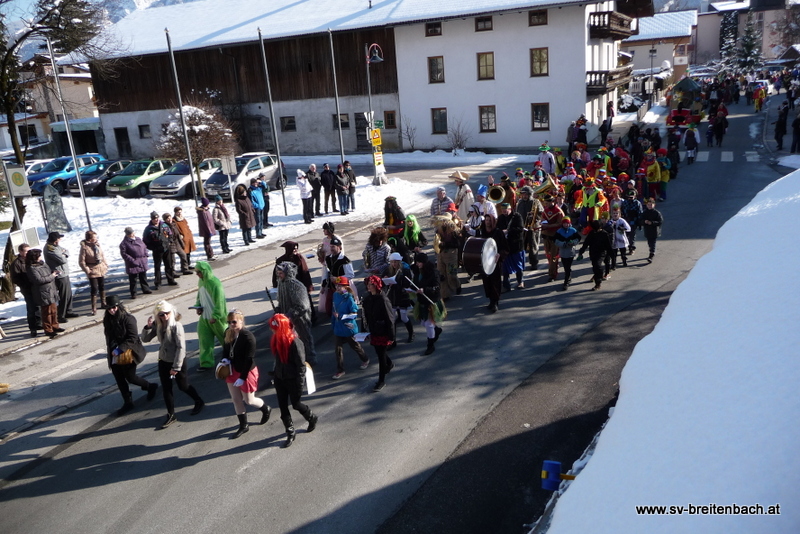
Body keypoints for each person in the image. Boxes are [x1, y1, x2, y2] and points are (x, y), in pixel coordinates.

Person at [141, 300, 205, 428]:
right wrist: (148, 327)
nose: (164, 316)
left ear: (171, 312)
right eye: (161, 314)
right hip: (163, 360)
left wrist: (176, 367)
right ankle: (171, 414)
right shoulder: (158, 324)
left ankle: (199, 401)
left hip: (177, 361)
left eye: (166, 313)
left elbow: (181, 348)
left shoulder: (176, 326)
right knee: (166, 388)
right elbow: (145, 339)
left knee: (183, 386)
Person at [220, 309, 272, 439]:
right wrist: (225, 359)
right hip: (232, 369)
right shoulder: (227, 333)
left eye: (234, 321)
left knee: (249, 400)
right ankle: (243, 425)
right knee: (236, 399)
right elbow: (225, 350)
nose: (231, 324)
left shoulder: (248, 337)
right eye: (229, 322)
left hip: (246, 371)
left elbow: (249, 359)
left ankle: (265, 408)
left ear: (241, 321)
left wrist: (242, 378)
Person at [268, 313, 318, 448]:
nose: (272, 330)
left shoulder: (295, 342)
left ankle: (311, 417)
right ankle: (290, 432)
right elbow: (278, 360)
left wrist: (299, 384)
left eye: (274, 328)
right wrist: (275, 374)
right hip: (280, 378)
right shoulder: (277, 339)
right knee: (283, 407)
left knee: (296, 404)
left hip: (292, 379)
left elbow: (301, 365)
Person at [103, 294, 158, 415]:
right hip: (114, 353)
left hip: (130, 352)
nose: (112, 310)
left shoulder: (128, 319)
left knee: (130, 377)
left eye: (114, 307)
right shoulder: (107, 319)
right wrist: (113, 351)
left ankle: (150, 386)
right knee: (119, 378)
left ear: (119, 306)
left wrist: (119, 349)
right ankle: (128, 402)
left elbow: (132, 338)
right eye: (109, 308)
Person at [275, 261, 317, 367]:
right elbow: (280, 301)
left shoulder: (297, 286)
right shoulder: (281, 284)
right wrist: (278, 310)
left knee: (304, 340)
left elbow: (303, 306)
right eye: (278, 273)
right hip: (286, 320)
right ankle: (294, 362)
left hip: (300, 320)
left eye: (281, 273)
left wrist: (290, 315)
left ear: (288, 272)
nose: (279, 275)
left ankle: (309, 361)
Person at [330, 276, 369, 379]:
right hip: (338, 327)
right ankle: (340, 370)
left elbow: (354, 314)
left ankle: (365, 359)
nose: (338, 288)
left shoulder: (350, 299)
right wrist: (333, 323)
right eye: (337, 285)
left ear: (346, 287)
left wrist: (342, 317)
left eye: (340, 286)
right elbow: (333, 310)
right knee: (338, 349)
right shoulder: (335, 295)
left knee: (355, 346)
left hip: (348, 327)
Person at [362, 275, 396, 391]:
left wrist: (391, 335)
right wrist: (363, 329)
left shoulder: (383, 300)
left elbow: (390, 318)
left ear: (376, 285)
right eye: (368, 284)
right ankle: (390, 364)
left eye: (371, 284)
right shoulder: (367, 300)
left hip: (383, 330)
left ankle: (381, 381)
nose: (369, 286)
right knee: (379, 352)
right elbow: (364, 316)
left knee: (381, 357)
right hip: (374, 330)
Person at [194, 260, 227, 371]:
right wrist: (198, 306)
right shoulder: (201, 282)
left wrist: (216, 316)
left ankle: (235, 358)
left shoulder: (215, 283)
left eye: (199, 272)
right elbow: (200, 295)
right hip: (204, 318)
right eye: (196, 272)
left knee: (226, 340)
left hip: (216, 319)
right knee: (204, 341)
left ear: (205, 271)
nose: (197, 274)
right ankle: (206, 363)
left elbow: (220, 302)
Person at [411, 252, 446, 355]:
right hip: (422, 300)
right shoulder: (417, 272)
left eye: (419, 262)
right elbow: (415, 284)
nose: (417, 264)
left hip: (432, 301)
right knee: (424, 323)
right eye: (416, 262)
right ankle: (437, 330)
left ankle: (430, 345)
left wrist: (425, 290)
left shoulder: (433, 272)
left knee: (428, 324)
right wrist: (411, 289)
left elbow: (437, 287)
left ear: (424, 262)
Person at [26, 248, 62, 338]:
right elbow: (38, 280)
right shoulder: (31, 268)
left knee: (54, 309)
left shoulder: (43, 264)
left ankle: (55, 326)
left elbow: (48, 273)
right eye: (39, 255)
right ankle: (48, 329)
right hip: (42, 292)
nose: (41, 257)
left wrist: (53, 273)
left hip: (51, 289)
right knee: (46, 312)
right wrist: (52, 276)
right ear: (35, 257)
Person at [382, 252, 415, 345]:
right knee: (392, 319)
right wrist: (385, 280)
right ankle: (393, 339)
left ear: (399, 262)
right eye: (392, 262)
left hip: (402, 297)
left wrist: (395, 283)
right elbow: (382, 280)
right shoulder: (388, 270)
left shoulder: (405, 271)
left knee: (404, 317)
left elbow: (407, 284)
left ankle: (411, 333)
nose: (393, 264)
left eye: (395, 262)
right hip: (392, 297)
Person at [44, 231, 76, 322]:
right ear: (55, 240)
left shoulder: (56, 247)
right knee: (63, 295)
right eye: (59, 238)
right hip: (60, 274)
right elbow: (62, 260)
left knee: (68, 294)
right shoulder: (50, 248)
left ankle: (68, 311)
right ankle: (61, 314)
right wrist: (63, 254)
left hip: (65, 272)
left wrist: (64, 253)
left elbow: (67, 251)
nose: (60, 239)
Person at [11, 244, 41, 337]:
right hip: (27, 288)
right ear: (20, 252)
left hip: (35, 287)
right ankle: (32, 328)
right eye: (26, 251)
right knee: (31, 307)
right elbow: (15, 279)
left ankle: (39, 323)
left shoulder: (31, 259)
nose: (28, 253)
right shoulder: (16, 263)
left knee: (38, 306)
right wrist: (26, 284)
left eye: (29, 250)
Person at [481, 214, 510, 312]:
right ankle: (490, 300)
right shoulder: (483, 232)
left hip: (495, 262)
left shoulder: (498, 233)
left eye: (489, 220)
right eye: (486, 220)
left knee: (495, 282)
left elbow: (505, 248)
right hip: (485, 261)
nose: (487, 222)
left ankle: (495, 302)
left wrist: (500, 255)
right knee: (486, 282)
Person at [142, 211, 177, 288]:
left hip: (166, 248)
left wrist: (169, 242)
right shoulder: (148, 229)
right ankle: (158, 282)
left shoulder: (164, 225)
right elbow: (145, 241)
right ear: (152, 219)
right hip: (157, 250)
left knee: (169, 265)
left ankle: (171, 279)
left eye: (157, 218)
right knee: (157, 267)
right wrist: (153, 248)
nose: (156, 220)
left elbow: (170, 234)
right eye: (154, 219)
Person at [79, 230, 108, 315]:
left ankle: (103, 303)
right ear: (90, 239)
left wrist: (105, 265)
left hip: (100, 268)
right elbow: (81, 261)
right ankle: (94, 307)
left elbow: (102, 255)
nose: (96, 239)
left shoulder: (97, 245)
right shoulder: (84, 247)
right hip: (92, 269)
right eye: (94, 237)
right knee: (94, 288)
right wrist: (87, 269)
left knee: (102, 286)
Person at [577, 220, 613, 290]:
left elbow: (608, 245)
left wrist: (612, 255)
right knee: (595, 267)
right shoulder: (592, 233)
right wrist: (581, 251)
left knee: (598, 265)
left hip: (601, 253)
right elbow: (586, 243)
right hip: (593, 253)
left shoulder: (604, 234)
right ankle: (598, 276)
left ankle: (598, 283)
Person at [120, 227, 153, 299]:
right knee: (133, 279)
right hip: (133, 263)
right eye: (130, 234)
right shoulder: (124, 243)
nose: (132, 234)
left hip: (142, 261)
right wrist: (132, 260)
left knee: (143, 277)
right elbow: (124, 254)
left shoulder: (138, 239)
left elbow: (144, 247)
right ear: (127, 234)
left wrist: (146, 254)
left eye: (132, 233)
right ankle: (133, 293)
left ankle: (146, 289)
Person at [499, 202, 525, 290]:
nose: (504, 212)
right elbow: (498, 228)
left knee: (518, 265)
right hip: (505, 245)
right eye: (502, 211)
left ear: (510, 209)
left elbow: (520, 229)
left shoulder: (517, 217)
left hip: (516, 245)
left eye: (505, 210)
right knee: (505, 266)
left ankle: (520, 281)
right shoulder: (501, 218)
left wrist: (508, 231)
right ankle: (506, 285)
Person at [540, 194, 564, 283]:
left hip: (555, 236)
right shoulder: (545, 210)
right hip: (546, 235)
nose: (546, 205)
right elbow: (542, 218)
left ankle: (552, 274)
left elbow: (560, 223)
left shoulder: (558, 211)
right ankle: (552, 267)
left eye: (548, 203)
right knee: (548, 255)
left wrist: (549, 226)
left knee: (554, 255)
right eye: (545, 203)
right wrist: (542, 223)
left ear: (552, 202)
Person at [435, 219, 461, 299]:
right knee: (441, 274)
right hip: (441, 253)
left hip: (451, 253)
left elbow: (457, 244)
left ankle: (457, 285)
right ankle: (445, 294)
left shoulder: (454, 231)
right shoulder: (439, 230)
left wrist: (446, 244)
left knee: (451, 274)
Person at [554, 217, 581, 290]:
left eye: (567, 223)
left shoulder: (573, 230)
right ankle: (568, 277)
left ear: (569, 223)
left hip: (570, 252)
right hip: (563, 252)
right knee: (565, 266)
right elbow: (556, 241)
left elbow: (578, 238)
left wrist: (573, 243)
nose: (566, 225)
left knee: (567, 266)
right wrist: (563, 244)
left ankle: (566, 281)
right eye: (564, 223)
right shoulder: (559, 232)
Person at [172, 206, 197, 272]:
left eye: (180, 212)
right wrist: (181, 236)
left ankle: (188, 264)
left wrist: (190, 233)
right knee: (184, 253)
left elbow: (187, 226)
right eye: (178, 212)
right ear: (175, 213)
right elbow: (176, 229)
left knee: (188, 252)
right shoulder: (174, 220)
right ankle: (184, 266)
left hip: (188, 237)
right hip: (183, 238)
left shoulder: (183, 219)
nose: (179, 214)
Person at [641, 198, 664, 263]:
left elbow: (660, 222)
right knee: (649, 242)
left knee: (652, 242)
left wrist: (652, 223)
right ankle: (651, 250)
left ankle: (651, 254)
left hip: (654, 231)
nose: (649, 206)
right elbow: (640, 220)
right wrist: (644, 221)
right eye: (648, 205)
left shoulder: (657, 213)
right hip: (647, 231)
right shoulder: (645, 212)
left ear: (654, 205)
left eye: (651, 205)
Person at [621, 190, 643, 255]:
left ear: (635, 196)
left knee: (632, 235)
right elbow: (622, 211)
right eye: (629, 197)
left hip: (634, 221)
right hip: (626, 221)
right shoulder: (625, 202)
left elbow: (640, 213)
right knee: (626, 235)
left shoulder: (637, 203)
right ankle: (627, 246)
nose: (630, 198)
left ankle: (631, 248)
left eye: (631, 197)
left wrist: (639, 222)